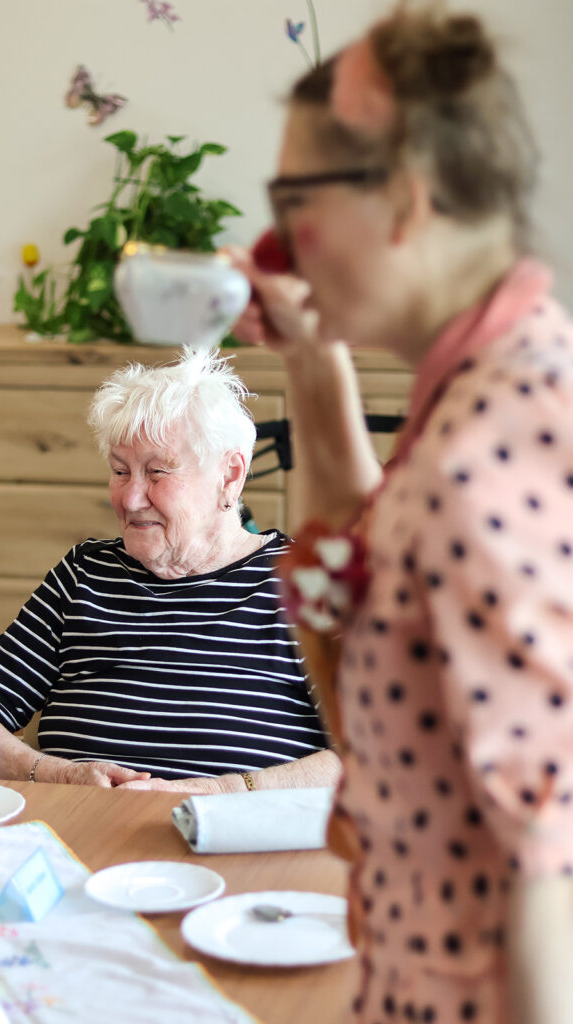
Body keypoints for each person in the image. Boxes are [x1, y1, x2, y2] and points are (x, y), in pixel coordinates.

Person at [231, 6, 573, 1023]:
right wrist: (306, 350)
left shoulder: (477, 468)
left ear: (407, 202)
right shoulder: (502, 376)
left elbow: (541, 866)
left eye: (294, 198)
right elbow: (371, 557)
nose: (279, 237)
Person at [0, 349, 339, 794]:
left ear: (230, 475)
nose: (130, 498)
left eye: (157, 472)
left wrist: (215, 792)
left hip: (235, 853)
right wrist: (56, 773)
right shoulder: (85, 574)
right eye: (120, 471)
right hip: (79, 843)